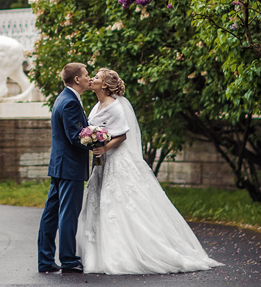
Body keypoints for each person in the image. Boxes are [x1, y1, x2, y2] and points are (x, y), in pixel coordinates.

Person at [77, 68, 223, 275]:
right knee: (102, 203)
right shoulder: (97, 105)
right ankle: (101, 252)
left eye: (97, 78)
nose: (92, 79)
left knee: (122, 203)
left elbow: (122, 136)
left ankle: (131, 252)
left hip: (117, 160)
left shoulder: (115, 106)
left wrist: (104, 148)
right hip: (104, 162)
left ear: (106, 85)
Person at [37, 61, 92, 274]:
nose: (89, 77)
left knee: (51, 213)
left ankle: (45, 261)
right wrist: (99, 142)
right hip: (70, 166)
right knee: (68, 213)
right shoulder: (70, 102)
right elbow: (76, 136)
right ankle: (68, 260)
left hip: (59, 165)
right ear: (77, 79)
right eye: (86, 75)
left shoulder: (63, 98)